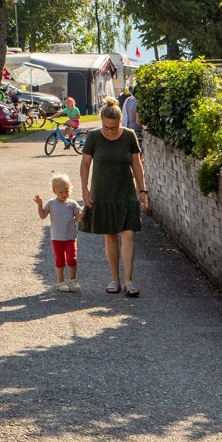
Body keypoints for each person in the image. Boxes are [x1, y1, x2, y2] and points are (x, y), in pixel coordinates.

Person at [78, 98, 150, 296]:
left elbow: (137, 163)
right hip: (102, 192)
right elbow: (85, 164)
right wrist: (84, 189)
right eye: (106, 127)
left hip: (125, 192)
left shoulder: (128, 136)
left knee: (128, 235)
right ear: (101, 122)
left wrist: (142, 190)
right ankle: (114, 279)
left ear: (120, 121)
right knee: (110, 237)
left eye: (114, 127)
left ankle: (128, 281)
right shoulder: (93, 137)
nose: (110, 130)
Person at [34, 174, 81, 292]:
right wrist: (40, 205)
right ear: (54, 191)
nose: (64, 194)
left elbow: (79, 219)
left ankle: (73, 280)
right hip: (56, 238)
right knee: (59, 260)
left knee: (71, 259)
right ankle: (60, 282)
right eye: (61, 192)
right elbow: (42, 215)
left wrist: (81, 215)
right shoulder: (51, 203)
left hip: (70, 237)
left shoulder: (72, 204)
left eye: (66, 191)